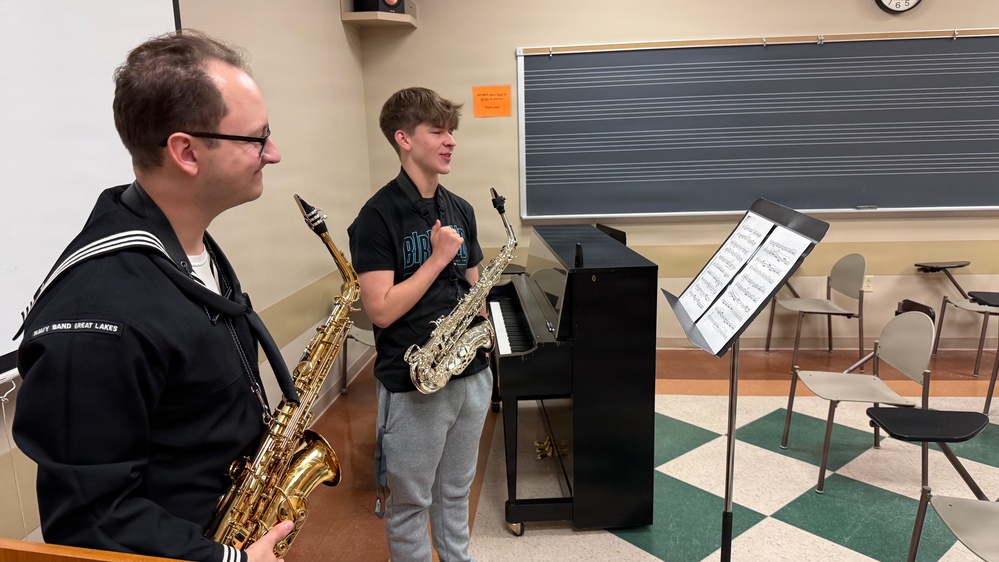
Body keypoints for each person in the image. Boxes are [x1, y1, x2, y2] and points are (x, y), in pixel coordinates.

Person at [13, 30, 297, 562]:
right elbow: (88, 521)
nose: (273, 153)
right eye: (256, 139)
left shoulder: (186, 248)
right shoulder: (98, 313)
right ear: (186, 152)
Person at [347, 87, 492, 562]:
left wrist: (483, 316)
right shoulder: (376, 217)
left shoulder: (461, 209)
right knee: (411, 502)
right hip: (416, 384)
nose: (450, 140)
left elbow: (474, 290)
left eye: (452, 131)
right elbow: (381, 310)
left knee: (456, 492)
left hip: (471, 376)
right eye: (438, 131)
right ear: (404, 138)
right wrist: (436, 259)